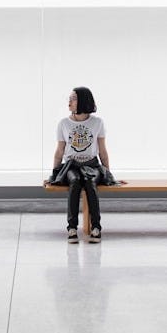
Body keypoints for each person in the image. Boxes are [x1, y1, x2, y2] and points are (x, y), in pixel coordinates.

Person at [48, 87, 120, 244]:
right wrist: (53, 174)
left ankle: (96, 228)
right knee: (74, 181)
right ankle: (72, 228)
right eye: (69, 98)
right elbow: (59, 151)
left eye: (73, 98)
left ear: (83, 101)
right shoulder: (63, 124)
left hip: (92, 165)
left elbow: (102, 151)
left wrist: (108, 172)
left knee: (89, 181)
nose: (69, 101)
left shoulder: (97, 123)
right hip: (71, 166)